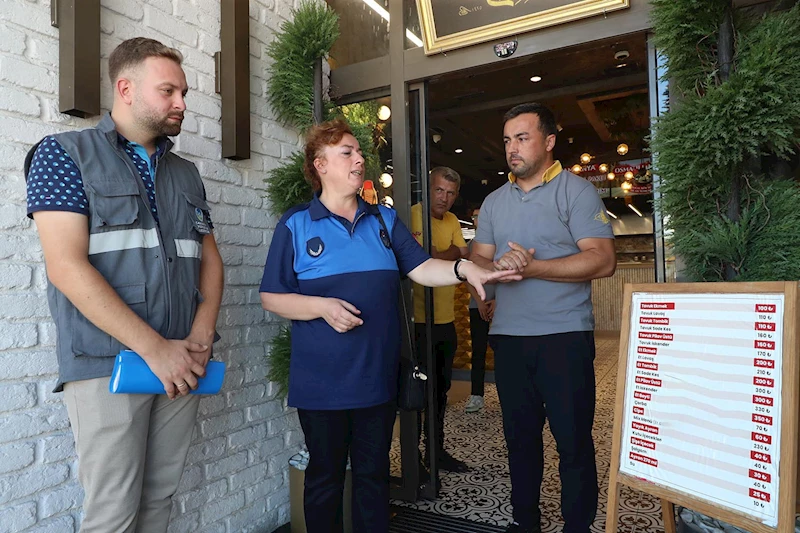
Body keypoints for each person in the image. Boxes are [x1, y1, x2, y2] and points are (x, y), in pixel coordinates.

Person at [259, 119, 518, 533]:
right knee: (324, 478)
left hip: (376, 378)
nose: (359, 159)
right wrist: (321, 306)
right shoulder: (296, 224)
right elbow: (272, 296)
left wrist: (465, 268)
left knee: (373, 476)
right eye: (347, 152)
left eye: (359, 152)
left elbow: (422, 268)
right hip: (321, 382)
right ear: (320, 164)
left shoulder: (383, 220)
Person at [24, 38, 224, 533]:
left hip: (182, 359)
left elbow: (209, 259)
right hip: (106, 362)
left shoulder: (186, 173)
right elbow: (66, 267)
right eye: (168, 91)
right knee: (114, 512)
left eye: (183, 92)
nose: (181, 103)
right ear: (126, 88)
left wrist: (201, 335)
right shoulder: (63, 155)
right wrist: (155, 350)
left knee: (159, 500)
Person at [469, 103, 616, 533]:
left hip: (564, 336)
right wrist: (493, 274)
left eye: (522, 138)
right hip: (509, 338)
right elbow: (478, 259)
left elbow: (603, 259)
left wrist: (533, 268)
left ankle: (577, 526)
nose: (512, 148)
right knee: (519, 439)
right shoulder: (494, 202)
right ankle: (525, 521)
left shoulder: (576, 191)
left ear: (549, 141)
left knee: (572, 441)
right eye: (507, 140)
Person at [410, 167, 470, 473]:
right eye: (439, 190)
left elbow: (463, 252)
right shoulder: (411, 216)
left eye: (450, 193)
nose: (444, 198)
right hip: (417, 322)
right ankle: (413, 459)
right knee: (417, 393)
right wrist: (451, 254)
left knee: (441, 390)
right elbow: (423, 259)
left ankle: (435, 451)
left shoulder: (453, 221)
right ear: (428, 188)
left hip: (445, 321)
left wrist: (440, 254)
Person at [464, 207, 495, 414]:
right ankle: (477, 396)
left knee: (505, 350)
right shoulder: (470, 246)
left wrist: (497, 301)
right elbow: (466, 278)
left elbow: (507, 274)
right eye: (475, 216)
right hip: (478, 306)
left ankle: (509, 393)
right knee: (478, 350)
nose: (478, 219)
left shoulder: (499, 242)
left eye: (481, 216)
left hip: (501, 305)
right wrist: (480, 302)